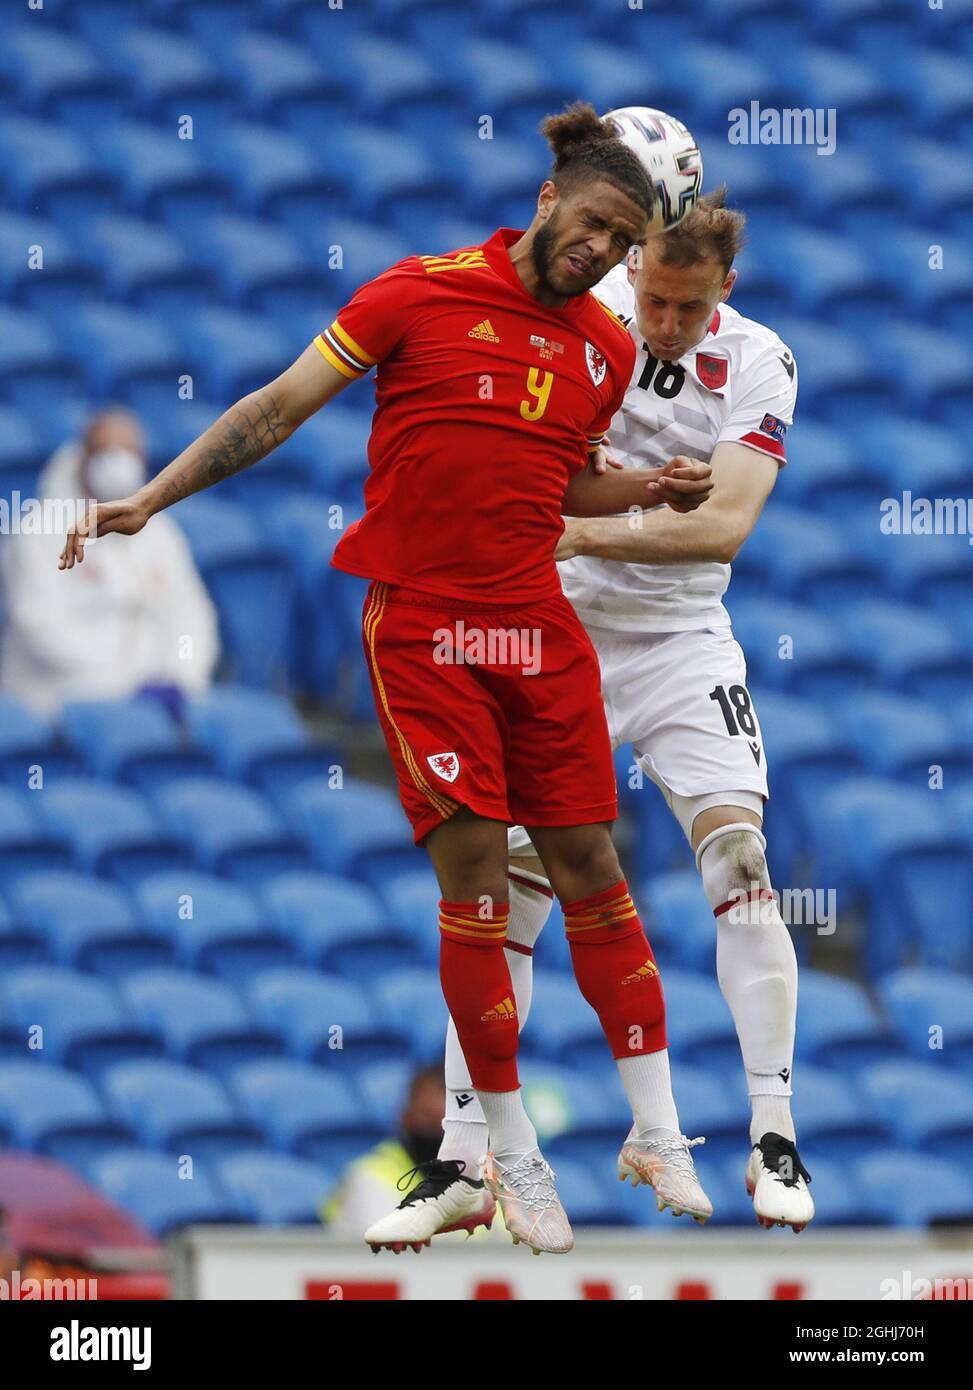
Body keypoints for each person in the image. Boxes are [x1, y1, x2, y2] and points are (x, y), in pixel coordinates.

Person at [60, 104, 714, 1256]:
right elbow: (275, 408)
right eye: (597, 224)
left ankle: (656, 1129)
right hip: (424, 624)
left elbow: (555, 485)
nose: (602, 253)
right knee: (473, 868)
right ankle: (505, 1155)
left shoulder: (607, 350)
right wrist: (151, 497)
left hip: (534, 624)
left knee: (587, 862)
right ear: (550, 193)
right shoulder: (413, 292)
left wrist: (641, 493)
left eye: (622, 243)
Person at [367, 189, 814, 1250]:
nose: (663, 325)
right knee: (502, 882)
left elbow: (724, 528)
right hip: (549, 623)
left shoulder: (760, 361)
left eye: (685, 309)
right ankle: (467, 1159)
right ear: (633, 274)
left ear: (724, 293)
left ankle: (770, 1133)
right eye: (651, 300)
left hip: (676, 639)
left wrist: (575, 533)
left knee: (738, 860)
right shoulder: (578, 319)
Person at [1, 408, 219, 717]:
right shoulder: (40, 531)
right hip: (57, 702)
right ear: (83, 458)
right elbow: (37, 624)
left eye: (129, 452)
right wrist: (124, 685)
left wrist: (180, 678)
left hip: (150, 703)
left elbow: (191, 615)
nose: (119, 463)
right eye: (108, 452)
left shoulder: (161, 534)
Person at [322, 1065, 465, 1244]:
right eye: (429, 1120)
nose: (440, 1133)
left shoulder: (490, 1183)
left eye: (451, 1125)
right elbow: (391, 1255)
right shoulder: (371, 1178)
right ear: (405, 1119)